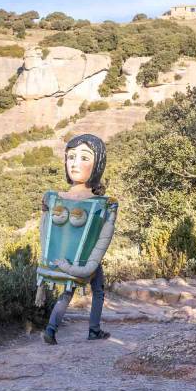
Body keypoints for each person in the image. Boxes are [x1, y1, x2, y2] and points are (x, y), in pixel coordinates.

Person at [40, 134, 116, 345]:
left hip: (69, 257)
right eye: (71, 157)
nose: (74, 163)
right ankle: (93, 329)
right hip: (87, 257)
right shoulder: (103, 202)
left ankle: (51, 328)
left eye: (84, 157)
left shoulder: (54, 197)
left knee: (67, 290)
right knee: (98, 290)